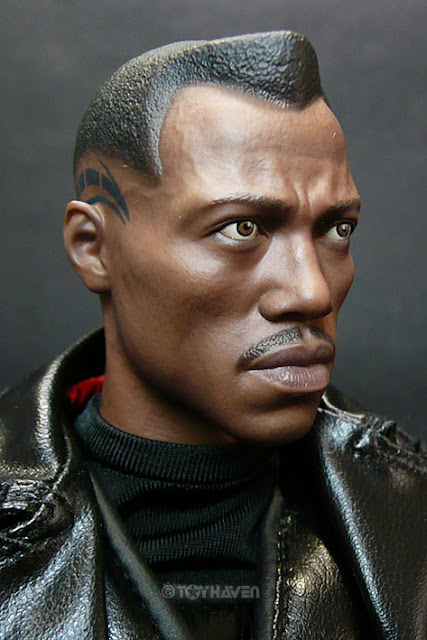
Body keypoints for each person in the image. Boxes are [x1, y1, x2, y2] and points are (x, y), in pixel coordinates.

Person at [0, 31, 425, 640]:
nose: (312, 292)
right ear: (94, 248)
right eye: (241, 228)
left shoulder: (405, 510)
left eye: (337, 229)